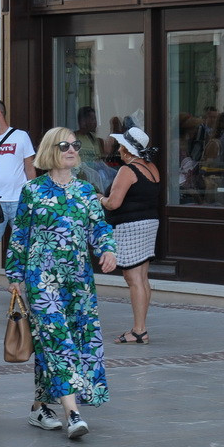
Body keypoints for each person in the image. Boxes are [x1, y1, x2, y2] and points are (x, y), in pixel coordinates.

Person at [7, 127, 117, 440]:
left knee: (63, 341)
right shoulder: (33, 190)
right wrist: (14, 276)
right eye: (64, 145)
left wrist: (107, 249)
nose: (71, 150)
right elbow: (20, 234)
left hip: (78, 280)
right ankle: (73, 414)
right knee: (58, 339)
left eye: (75, 145)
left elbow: (99, 227)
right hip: (41, 278)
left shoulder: (85, 190)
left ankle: (39, 407)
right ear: (50, 150)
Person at [98, 126, 160, 344]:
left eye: (121, 146)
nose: (118, 150)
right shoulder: (151, 167)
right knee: (141, 277)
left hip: (130, 227)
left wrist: (99, 198)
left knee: (133, 279)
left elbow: (113, 203)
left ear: (127, 150)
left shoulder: (128, 170)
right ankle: (140, 327)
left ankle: (139, 330)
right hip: (149, 223)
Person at [0, 98, 36, 251]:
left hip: (19, 200)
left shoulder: (21, 136)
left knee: (25, 245)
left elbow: (29, 167)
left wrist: (33, 196)